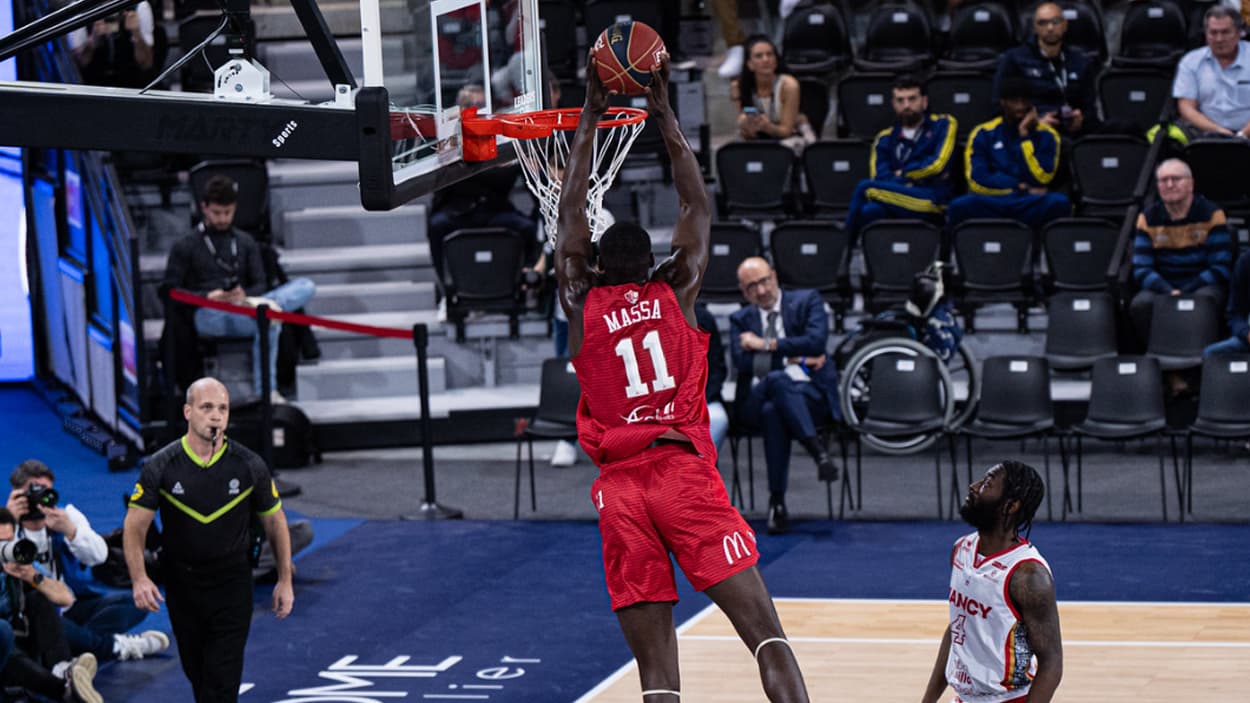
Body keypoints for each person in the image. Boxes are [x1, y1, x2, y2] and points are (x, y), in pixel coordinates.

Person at [555, 52, 809, 702]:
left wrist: (589, 110)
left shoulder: (580, 303)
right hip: (680, 471)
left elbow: (571, 211)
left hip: (620, 491)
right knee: (767, 635)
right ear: (657, 265)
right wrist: (664, 114)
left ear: (592, 269)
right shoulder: (678, 292)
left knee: (657, 683)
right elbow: (696, 201)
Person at [124, 376, 294, 703]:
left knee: (221, 680)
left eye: (222, 408)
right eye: (207, 407)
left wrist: (285, 580)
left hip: (232, 584)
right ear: (188, 411)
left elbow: (275, 520)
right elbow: (134, 526)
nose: (216, 416)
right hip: (182, 584)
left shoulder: (249, 465)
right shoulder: (162, 465)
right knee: (198, 673)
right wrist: (139, 578)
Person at [163, 176, 317, 403]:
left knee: (305, 286)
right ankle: (266, 390)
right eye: (217, 213)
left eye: (228, 212)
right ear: (204, 208)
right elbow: (170, 291)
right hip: (207, 312)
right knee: (270, 319)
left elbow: (260, 283)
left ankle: (267, 312)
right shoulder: (186, 245)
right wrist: (207, 296)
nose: (223, 218)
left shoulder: (245, 241)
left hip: (245, 306)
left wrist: (244, 295)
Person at [921, 460, 1063, 703]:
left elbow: (1051, 662)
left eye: (987, 484)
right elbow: (958, 630)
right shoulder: (961, 549)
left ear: (1010, 506)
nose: (973, 487)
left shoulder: (1028, 575)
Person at [7, 460, 168, 663]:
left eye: (45, 492)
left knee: (136, 604)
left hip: (71, 605)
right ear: (16, 494)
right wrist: (10, 521)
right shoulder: (5, 524)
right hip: (31, 614)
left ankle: (74, 643)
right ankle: (116, 646)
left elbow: (99, 556)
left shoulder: (65, 514)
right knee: (49, 622)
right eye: (32, 493)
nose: (40, 500)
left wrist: (71, 532)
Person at [730, 257, 841, 535]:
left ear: (775, 276)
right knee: (776, 382)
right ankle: (818, 452)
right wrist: (797, 359)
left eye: (764, 281)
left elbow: (816, 341)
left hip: (808, 396)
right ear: (745, 293)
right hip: (754, 399)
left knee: (774, 411)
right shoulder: (740, 319)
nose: (762, 290)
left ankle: (776, 502)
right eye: (752, 286)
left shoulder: (807, 301)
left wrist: (765, 345)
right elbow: (742, 364)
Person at [428, 84, 538, 304]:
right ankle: (446, 288)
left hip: (494, 210)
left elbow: (511, 175)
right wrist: (485, 169)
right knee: (436, 226)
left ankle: (525, 284)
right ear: (460, 109)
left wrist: (475, 169)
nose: (476, 110)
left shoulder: (500, 137)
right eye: (471, 105)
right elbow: (444, 182)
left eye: (480, 105)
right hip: (459, 212)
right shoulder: (448, 139)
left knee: (528, 227)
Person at [0, 508, 102, 703]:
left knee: (39, 598)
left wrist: (32, 577)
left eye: (10, 540)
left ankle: (63, 669)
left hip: (22, 641)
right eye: (0, 543)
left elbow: (66, 598)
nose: (7, 549)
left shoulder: (17, 561)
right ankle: (64, 688)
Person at [1130, 158, 1232, 349]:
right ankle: (1162, 359)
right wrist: (1168, 291)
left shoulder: (1211, 213)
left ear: (1191, 184)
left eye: (1176, 179)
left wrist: (1186, 291)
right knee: (1141, 304)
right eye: (1163, 180)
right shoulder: (1147, 217)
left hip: (1201, 284)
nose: (1169, 184)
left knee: (1207, 299)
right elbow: (1141, 268)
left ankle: (1199, 360)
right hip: (1163, 284)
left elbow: (1221, 266)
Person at [946, 77, 1070, 232]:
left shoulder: (1047, 135)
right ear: (1003, 102)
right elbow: (977, 180)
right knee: (960, 205)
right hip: (995, 200)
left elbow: (1042, 177)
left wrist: (1024, 136)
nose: (1020, 106)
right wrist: (1018, 186)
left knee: (1059, 203)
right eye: (1014, 101)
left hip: (1029, 202)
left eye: (1024, 101)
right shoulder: (983, 133)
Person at [843, 74, 956, 238]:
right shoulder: (884, 137)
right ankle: (871, 260)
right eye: (900, 100)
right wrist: (912, 178)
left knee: (866, 187)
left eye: (912, 99)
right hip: (896, 197)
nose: (907, 105)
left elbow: (937, 165)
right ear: (893, 104)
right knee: (870, 210)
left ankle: (841, 248)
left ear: (924, 101)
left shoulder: (943, 124)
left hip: (931, 199)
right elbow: (879, 177)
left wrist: (902, 174)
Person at [993, 2, 1098, 138]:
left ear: (1065, 25)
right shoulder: (1014, 59)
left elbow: (1090, 108)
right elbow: (999, 105)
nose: (1050, 28)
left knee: (1124, 127)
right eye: (1043, 23)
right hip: (1032, 130)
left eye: (1055, 22)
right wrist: (1036, 122)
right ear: (1035, 28)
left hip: (1074, 131)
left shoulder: (1080, 61)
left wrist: (1081, 119)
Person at [1173, 6, 1250, 140]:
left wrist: (1243, 135)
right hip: (1205, 134)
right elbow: (1186, 107)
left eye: (1225, 32)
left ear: (1239, 33)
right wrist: (1219, 131)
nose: (1219, 39)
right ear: (1206, 34)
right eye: (1213, 33)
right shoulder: (1191, 61)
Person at [732, 35, 817, 152]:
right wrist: (747, 126)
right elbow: (747, 131)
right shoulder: (738, 86)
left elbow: (786, 131)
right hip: (761, 137)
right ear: (749, 64)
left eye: (770, 54)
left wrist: (767, 127)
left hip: (793, 135)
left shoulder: (789, 85)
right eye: (759, 56)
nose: (765, 59)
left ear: (776, 60)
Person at [67, 3, 157, 88]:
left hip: (131, 84)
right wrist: (93, 40)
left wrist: (136, 33)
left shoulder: (139, 6)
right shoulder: (80, 8)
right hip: (92, 86)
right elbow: (77, 66)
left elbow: (146, 64)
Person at [695, 302, 730, 449]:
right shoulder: (651, 317)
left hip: (702, 397)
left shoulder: (703, 318)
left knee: (717, 419)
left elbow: (717, 368)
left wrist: (701, 400)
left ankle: (700, 469)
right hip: (664, 404)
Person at [1204, 248, 1250, 356]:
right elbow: (1233, 314)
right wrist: (1246, 332)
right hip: (1247, 338)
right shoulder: (1245, 262)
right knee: (1211, 354)